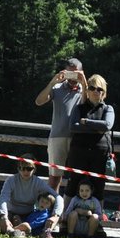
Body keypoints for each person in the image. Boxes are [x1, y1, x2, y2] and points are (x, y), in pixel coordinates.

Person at [35, 58, 85, 192]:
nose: (72, 77)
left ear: (81, 72)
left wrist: (84, 82)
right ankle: (53, 209)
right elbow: (39, 101)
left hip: (78, 139)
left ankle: (72, 209)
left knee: (78, 177)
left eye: (75, 73)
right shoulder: (57, 88)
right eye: (69, 73)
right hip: (57, 137)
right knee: (55, 177)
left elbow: (88, 105)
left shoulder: (85, 89)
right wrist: (53, 82)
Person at [66, 75, 115, 199]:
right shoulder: (79, 108)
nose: (95, 91)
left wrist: (86, 122)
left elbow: (107, 125)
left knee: (99, 187)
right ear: (87, 90)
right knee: (72, 184)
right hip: (78, 152)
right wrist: (97, 128)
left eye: (99, 89)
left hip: (100, 154)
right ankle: (64, 216)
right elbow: (73, 127)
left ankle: (98, 217)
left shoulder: (108, 109)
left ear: (104, 92)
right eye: (92, 88)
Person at [0, 157, 58, 238]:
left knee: (23, 223)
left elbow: (58, 197)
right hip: (10, 213)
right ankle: (11, 230)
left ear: (34, 170)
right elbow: (3, 199)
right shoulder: (10, 180)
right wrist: (4, 217)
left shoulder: (38, 182)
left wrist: (56, 214)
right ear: (18, 169)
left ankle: (13, 232)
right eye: (22, 168)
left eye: (29, 168)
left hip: (28, 215)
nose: (25, 171)